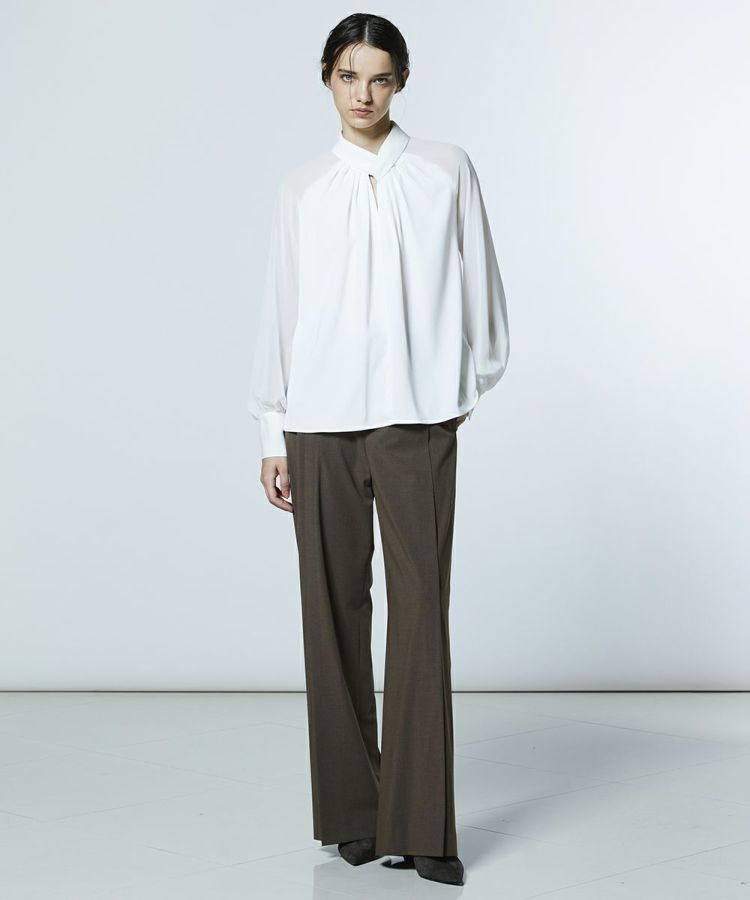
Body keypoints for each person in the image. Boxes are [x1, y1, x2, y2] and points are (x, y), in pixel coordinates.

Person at [247, 13, 510, 887]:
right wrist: (272, 427)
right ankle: (353, 815)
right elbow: (281, 307)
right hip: (316, 423)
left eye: (381, 77)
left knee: (421, 612)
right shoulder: (301, 187)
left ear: (402, 81)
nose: (364, 94)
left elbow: (481, 284)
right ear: (327, 78)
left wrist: (463, 387)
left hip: (416, 420)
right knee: (330, 614)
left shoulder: (444, 170)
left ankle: (423, 826)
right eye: (349, 76)